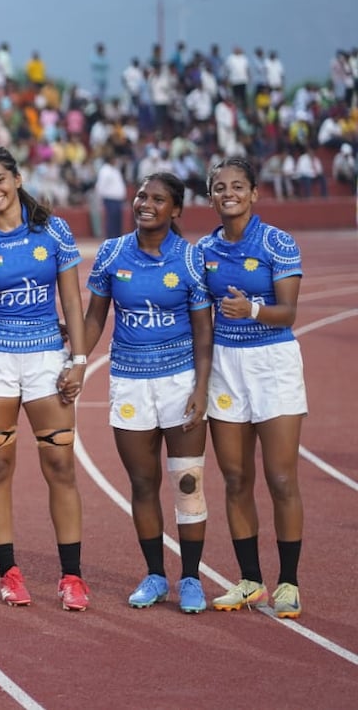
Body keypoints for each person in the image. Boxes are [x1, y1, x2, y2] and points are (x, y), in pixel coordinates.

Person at [0, 145, 91, 611]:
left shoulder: (54, 231)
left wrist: (79, 359)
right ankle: (9, 574)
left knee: (61, 467)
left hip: (46, 360)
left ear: (16, 179)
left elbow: (71, 301)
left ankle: (71, 576)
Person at [83, 172, 213, 614]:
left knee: (188, 483)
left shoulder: (191, 259)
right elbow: (95, 319)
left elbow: (203, 332)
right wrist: (76, 359)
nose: (145, 204)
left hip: (180, 383)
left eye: (158, 199)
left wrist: (201, 388)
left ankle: (191, 577)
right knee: (143, 484)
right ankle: (156, 575)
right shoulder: (111, 252)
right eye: (141, 195)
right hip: (130, 382)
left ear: (175, 210)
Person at [198, 158, 306, 619]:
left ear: (254, 193)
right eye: (220, 187)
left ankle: (288, 582)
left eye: (238, 186)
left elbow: (289, 313)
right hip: (226, 366)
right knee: (236, 479)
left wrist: (253, 310)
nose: (229, 193)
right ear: (210, 197)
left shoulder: (277, 242)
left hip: (272, 362)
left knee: (281, 479)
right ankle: (250, 580)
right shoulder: (203, 249)